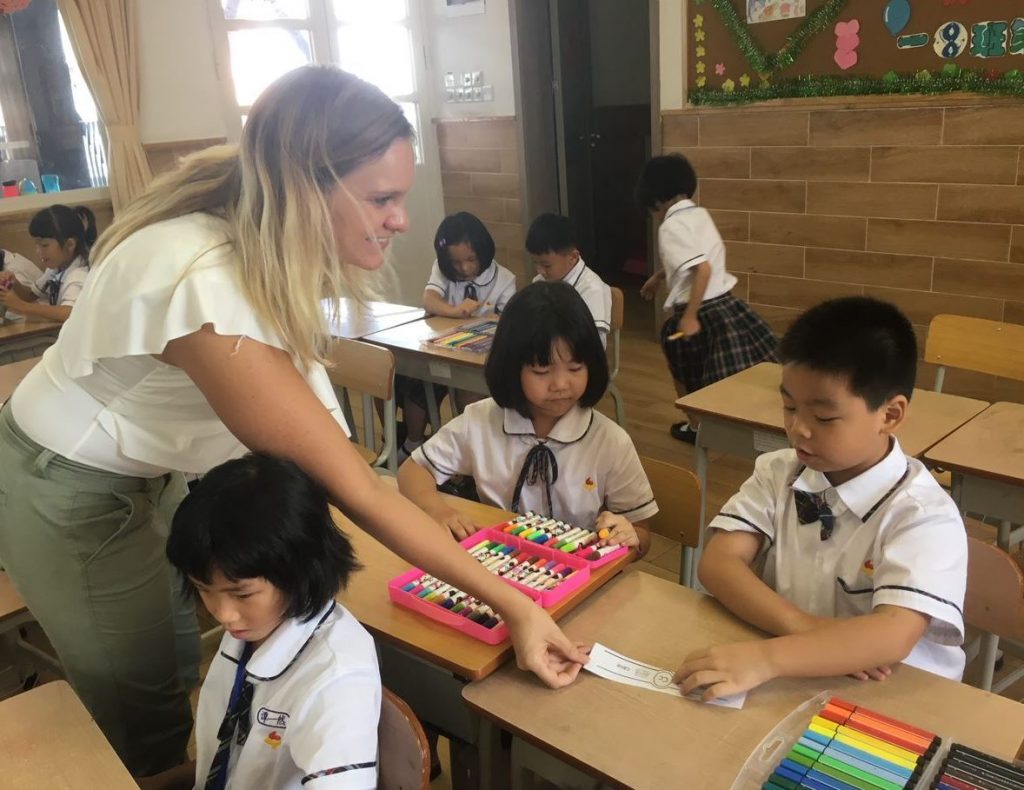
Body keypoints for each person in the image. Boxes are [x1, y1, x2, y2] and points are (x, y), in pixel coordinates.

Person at [0, 65, 587, 779]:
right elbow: (356, 489)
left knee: (183, 657)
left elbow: (333, 452)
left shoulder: (265, 248)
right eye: (382, 198)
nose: (402, 220)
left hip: (142, 475)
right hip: (69, 490)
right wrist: (514, 606)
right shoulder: (204, 277)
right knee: (148, 708)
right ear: (306, 185)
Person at [674, 297, 967, 702]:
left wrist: (769, 658)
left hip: (895, 699)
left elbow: (893, 635)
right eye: (789, 406)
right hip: (798, 679)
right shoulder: (780, 471)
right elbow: (719, 562)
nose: (798, 430)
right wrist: (806, 630)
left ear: (891, 414)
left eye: (824, 417)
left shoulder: (923, 515)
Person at [158, 453, 378, 790]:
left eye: (242, 594)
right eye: (204, 589)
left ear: (300, 569)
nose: (223, 614)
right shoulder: (255, 628)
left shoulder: (337, 680)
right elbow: (232, 754)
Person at [399, 280, 656, 556]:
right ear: (512, 367)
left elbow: (641, 532)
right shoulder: (481, 421)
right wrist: (438, 510)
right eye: (541, 371)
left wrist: (628, 535)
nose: (560, 384)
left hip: (578, 574)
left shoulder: (610, 441)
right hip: (500, 563)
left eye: (575, 367)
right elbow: (413, 471)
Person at [635, 154, 777, 443]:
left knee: (684, 370)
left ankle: (698, 427)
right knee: (741, 370)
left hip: (699, 311)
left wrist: (689, 316)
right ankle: (745, 427)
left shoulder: (670, 226)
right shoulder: (699, 214)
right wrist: (660, 276)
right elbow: (694, 259)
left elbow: (702, 268)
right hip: (726, 305)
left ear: (656, 201)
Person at [397, 212, 516, 462]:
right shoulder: (442, 271)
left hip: (475, 364)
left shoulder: (505, 280)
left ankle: (469, 452)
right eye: (456, 262)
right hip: (441, 353)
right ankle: (413, 442)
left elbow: (509, 325)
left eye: (471, 260)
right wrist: (455, 310)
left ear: (483, 251)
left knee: (469, 394)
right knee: (414, 383)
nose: (464, 268)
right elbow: (429, 299)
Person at [0, 204, 97, 322]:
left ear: (70, 245)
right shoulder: (55, 269)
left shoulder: (78, 275)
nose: (38, 251)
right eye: (36, 245)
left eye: (44, 245)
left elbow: (69, 312)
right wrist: (14, 283)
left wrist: (22, 306)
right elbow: (31, 294)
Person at [527, 213, 611, 347]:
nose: (540, 271)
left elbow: (595, 345)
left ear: (572, 257)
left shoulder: (591, 289)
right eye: (535, 263)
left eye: (546, 265)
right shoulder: (539, 282)